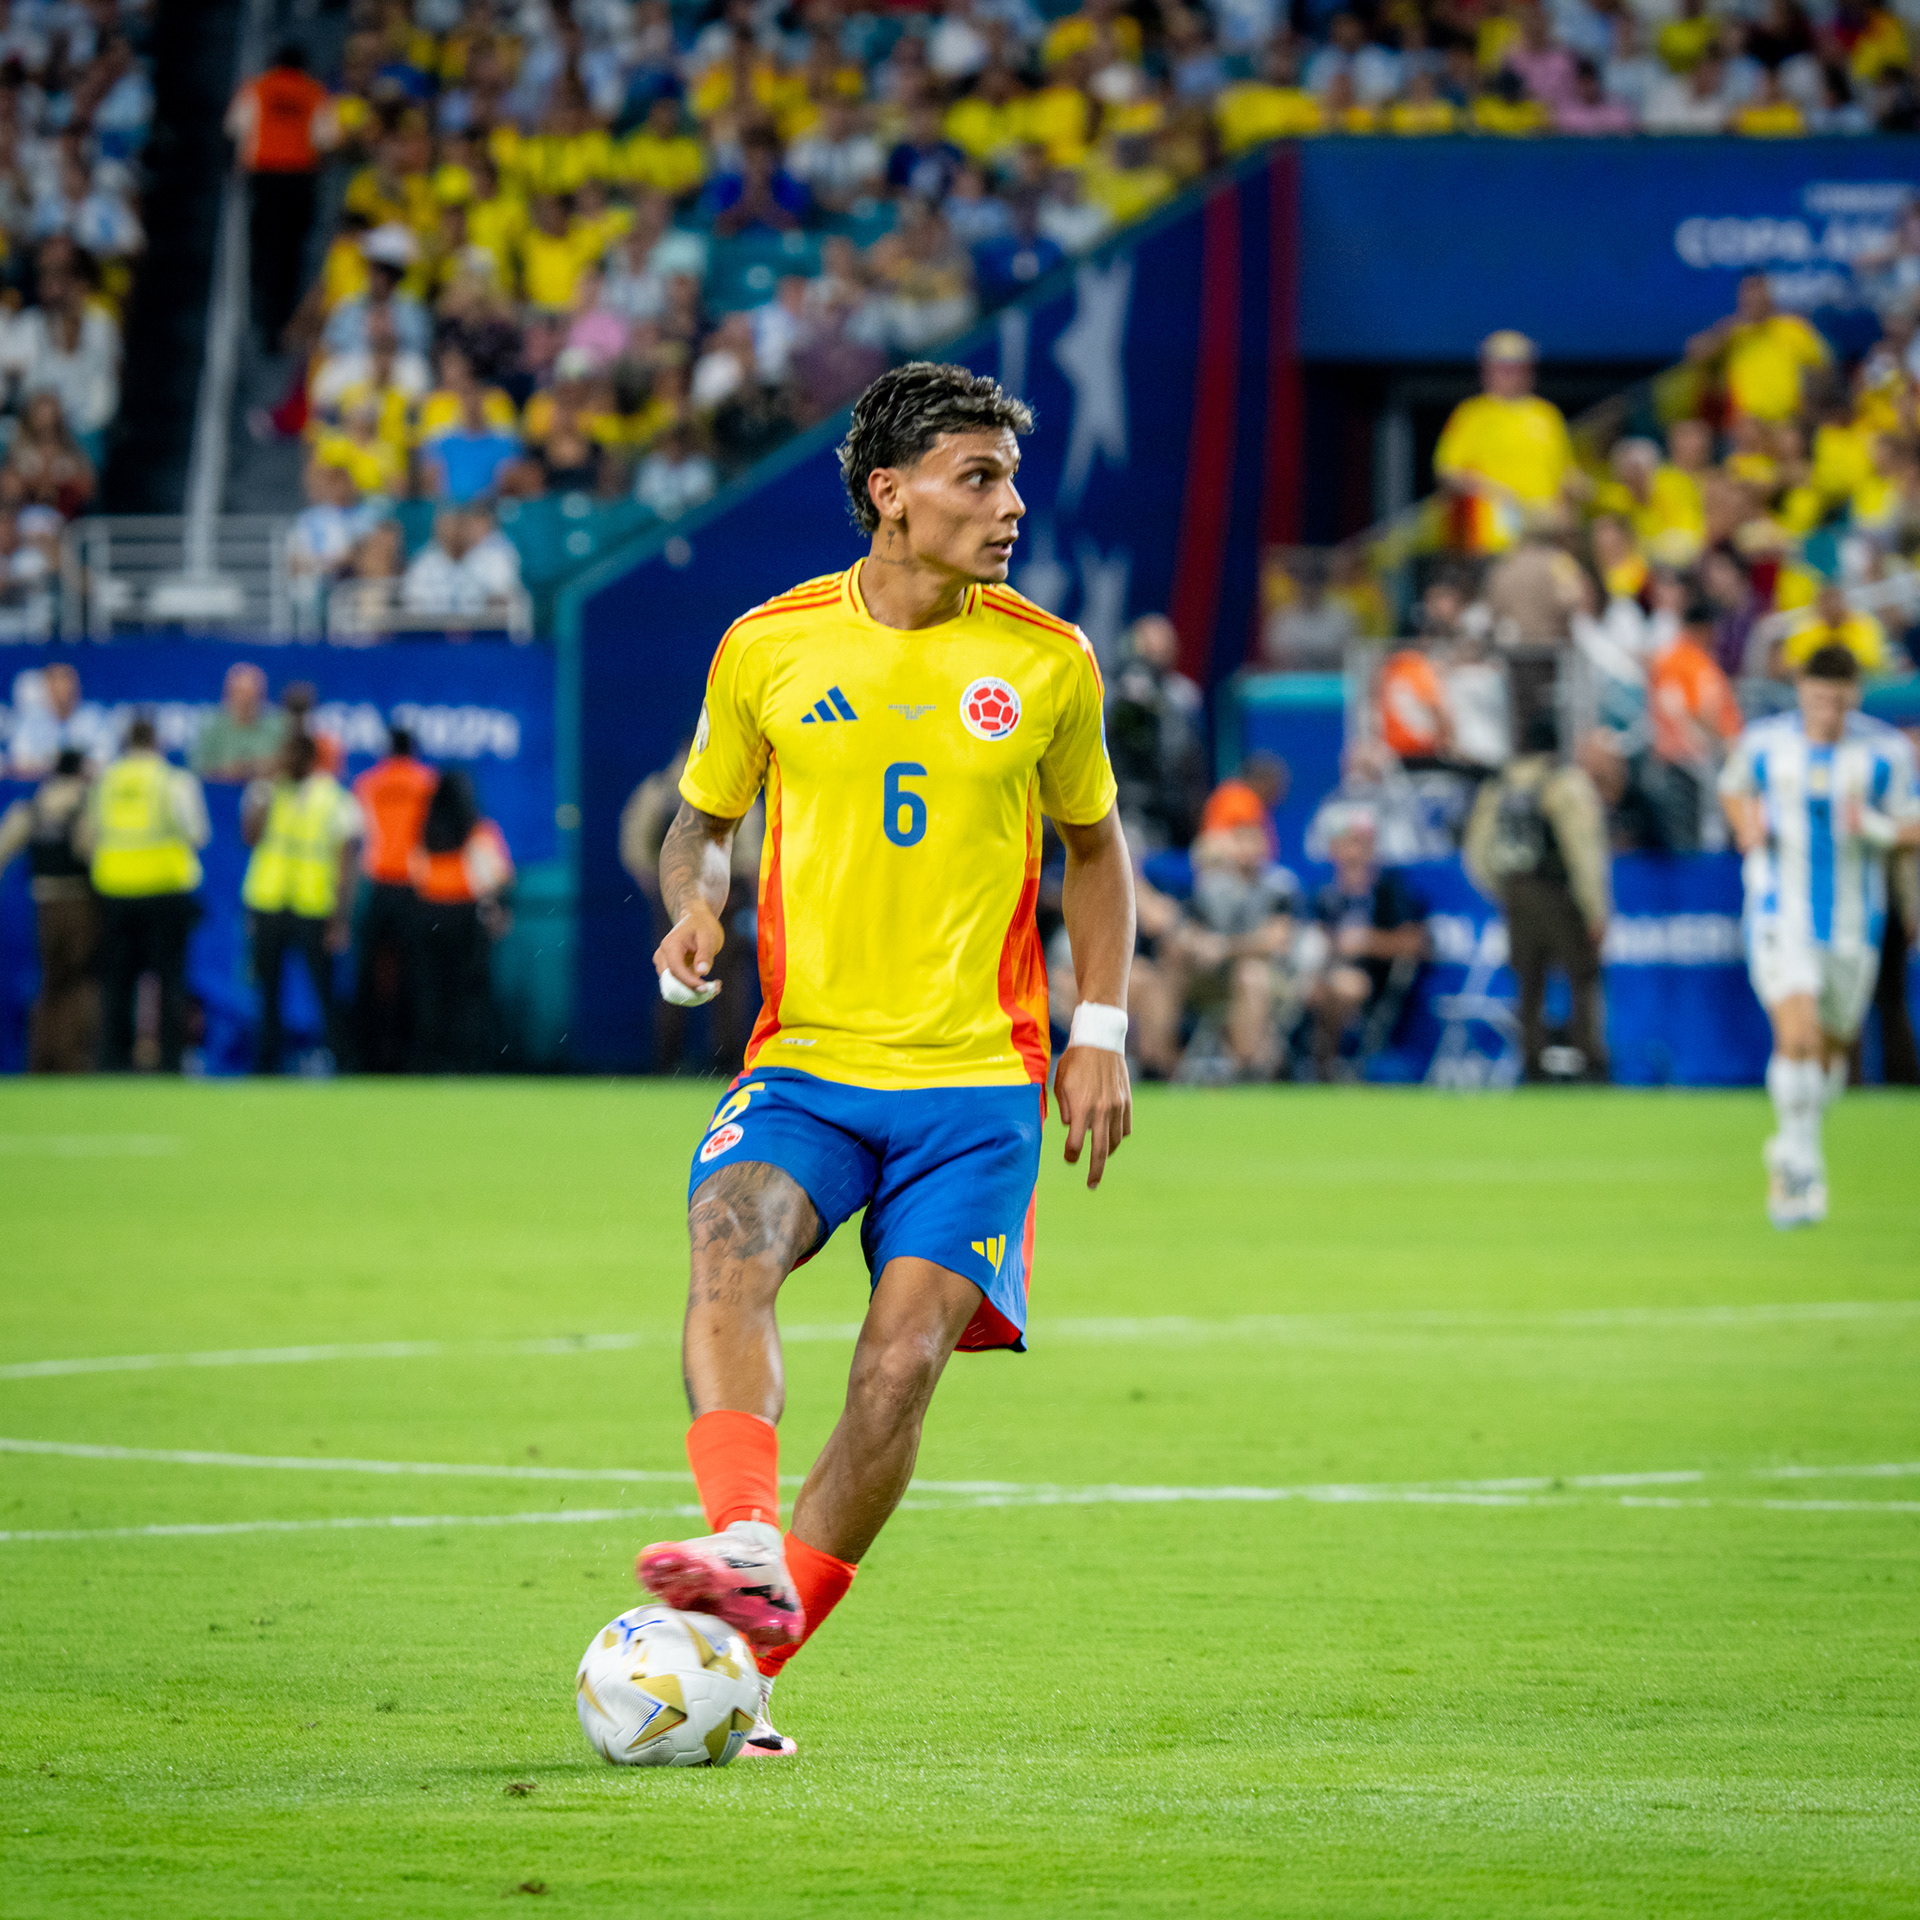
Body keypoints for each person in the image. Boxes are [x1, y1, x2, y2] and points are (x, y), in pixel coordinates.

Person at [635, 362, 1132, 1759]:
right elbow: (701, 815)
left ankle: (750, 1663)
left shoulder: (1046, 658)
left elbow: (1097, 853)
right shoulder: (770, 647)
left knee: (900, 1366)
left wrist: (1099, 1031)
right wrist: (695, 895)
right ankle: (742, 1539)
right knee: (728, 1243)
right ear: (889, 498)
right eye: (979, 480)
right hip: (806, 1064)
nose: (1010, 506)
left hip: (977, 1086)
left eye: (1011, 479)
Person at [1719, 645, 1918, 1226]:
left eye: (1836, 700)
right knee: (1797, 1029)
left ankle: (1792, 1144)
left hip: (1856, 921)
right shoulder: (1765, 744)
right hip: (1781, 908)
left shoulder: (1885, 752)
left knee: (1830, 1054)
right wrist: (1747, 827)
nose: (1825, 711)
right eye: (1815, 698)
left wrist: (1875, 828)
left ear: (1853, 696)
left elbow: (1912, 822)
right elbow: (1734, 788)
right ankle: (1802, 1164)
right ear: (1800, 692)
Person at [1463, 711, 1611, 1082]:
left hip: (1516, 892)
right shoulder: (1563, 782)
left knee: (1528, 983)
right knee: (1582, 977)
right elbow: (1583, 850)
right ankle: (1589, 1060)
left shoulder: (1499, 786)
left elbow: (1476, 850)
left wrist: (1501, 889)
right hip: (1558, 892)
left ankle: (1532, 1063)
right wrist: (1596, 908)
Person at [88, 716, 209, 1073]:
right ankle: (170, 1062)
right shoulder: (172, 780)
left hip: (114, 889)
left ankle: (112, 1061)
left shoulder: (107, 780)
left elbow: (92, 832)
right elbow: (197, 832)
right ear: (157, 742)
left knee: (116, 982)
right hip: (164, 889)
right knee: (170, 979)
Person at [241, 730, 362, 1073]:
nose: (284, 763)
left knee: (326, 992)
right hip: (268, 902)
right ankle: (266, 1066)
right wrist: (264, 791)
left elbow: (346, 862)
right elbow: (249, 836)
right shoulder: (266, 791)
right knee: (267, 991)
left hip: (314, 907)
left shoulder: (333, 798)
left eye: (292, 756)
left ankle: (342, 1062)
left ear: (310, 760)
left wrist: (340, 918)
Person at [1304, 806, 1427, 1079]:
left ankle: (1324, 1067)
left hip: (1372, 981)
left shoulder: (1390, 891)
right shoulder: (1325, 894)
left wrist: (1367, 941)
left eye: (1360, 843)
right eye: (1345, 843)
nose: (1352, 852)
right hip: (1320, 974)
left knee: (1341, 985)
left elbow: (1415, 943)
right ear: (1333, 848)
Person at [1433, 332, 1578, 555]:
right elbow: (1447, 470)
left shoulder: (1547, 415)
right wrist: (1495, 493)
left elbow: (1565, 473)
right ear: (1486, 369)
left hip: (1544, 534)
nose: (1509, 373)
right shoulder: (1471, 414)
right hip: (1492, 539)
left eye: (1517, 366)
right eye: (1502, 366)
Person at [226, 44, 332, 343]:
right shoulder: (313, 91)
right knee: (289, 251)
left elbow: (235, 128)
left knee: (263, 246)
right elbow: (325, 138)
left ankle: (261, 307)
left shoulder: (257, 87)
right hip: (298, 179)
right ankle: (279, 315)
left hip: (265, 177)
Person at [410, 769, 513, 1072]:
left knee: (430, 991)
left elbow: (415, 872)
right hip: (467, 918)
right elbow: (498, 875)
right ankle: (468, 1061)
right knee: (469, 993)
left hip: (428, 915)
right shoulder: (478, 830)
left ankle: (431, 1060)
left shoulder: (425, 830)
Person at [0, 747, 97, 1070]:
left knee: (50, 982)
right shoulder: (83, 805)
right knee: (80, 981)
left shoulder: (33, 807)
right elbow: (92, 853)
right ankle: (73, 1059)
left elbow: (4, 848)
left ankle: (42, 1058)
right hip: (79, 903)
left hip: (44, 903)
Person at [351, 725, 436, 1072]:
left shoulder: (367, 783)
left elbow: (358, 835)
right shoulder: (428, 782)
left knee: (371, 975)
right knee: (416, 974)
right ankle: (414, 1057)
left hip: (378, 884)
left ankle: (369, 1057)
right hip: (416, 886)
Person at [1104, 613, 1207, 853]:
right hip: (1121, 805)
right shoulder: (1110, 695)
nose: (1154, 658)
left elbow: (1193, 765)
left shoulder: (1184, 698)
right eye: (1148, 649)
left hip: (1171, 806)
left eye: (1162, 649)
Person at [191, 662, 286, 782]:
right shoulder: (211, 727)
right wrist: (225, 770)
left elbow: (289, 763)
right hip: (219, 792)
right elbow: (196, 766)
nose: (245, 701)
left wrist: (266, 766)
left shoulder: (278, 726)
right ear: (227, 695)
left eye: (251, 696)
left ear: (262, 696)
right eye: (240, 694)